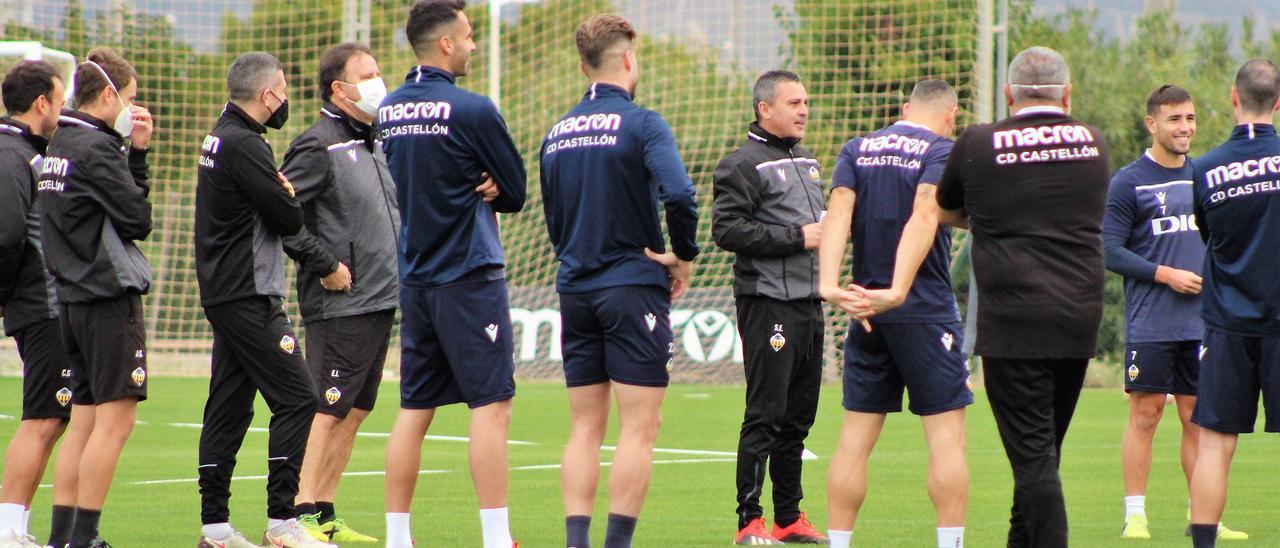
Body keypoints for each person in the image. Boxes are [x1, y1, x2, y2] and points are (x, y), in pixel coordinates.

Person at [934, 46, 1111, 548]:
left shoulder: (978, 141)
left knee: (1033, 458)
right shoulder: (1093, 142)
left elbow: (945, 209)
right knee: (1042, 454)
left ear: (1009, 94)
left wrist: (989, 220)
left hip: (1014, 320)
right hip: (1078, 316)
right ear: (1067, 93)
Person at [540, 14, 699, 548]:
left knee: (585, 428)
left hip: (574, 286)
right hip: (631, 285)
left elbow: (552, 214)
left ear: (583, 65)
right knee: (639, 429)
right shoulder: (643, 122)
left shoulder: (557, 131)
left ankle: (577, 543)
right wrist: (684, 254)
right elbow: (679, 193)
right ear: (627, 59)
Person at [378, 1, 526, 547]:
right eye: (467, 36)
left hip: (415, 277)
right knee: (491, 406)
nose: (471, 44)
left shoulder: (388, 109)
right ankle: (495, 537)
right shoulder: (473, 109)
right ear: (444, 44)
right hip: (468, 275)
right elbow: (515, 192)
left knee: (414, 409)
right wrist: (490, 184)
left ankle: (398, 538)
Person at [819, 79, 970, 548]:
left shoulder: (857, 147)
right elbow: (925, 213)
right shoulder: (941, 149)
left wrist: (829, 287)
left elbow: (837, 215)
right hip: (921, 309)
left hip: (863, 310)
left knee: (853, 440)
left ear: (905, 108)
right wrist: (898, 290)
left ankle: (840, 543)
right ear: (951, 114)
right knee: (946, 440)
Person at [194, 51, 331, 548]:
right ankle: (282, 521)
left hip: (225, 291)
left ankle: (215, 529)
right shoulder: (247, 145)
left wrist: (284, 196)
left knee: (229, 406)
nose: (287, 99)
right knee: (299, 397)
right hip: (249, 293)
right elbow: (289, 218)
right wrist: (288, 196)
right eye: (285, 90)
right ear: (267, 94)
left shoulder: (220, 135)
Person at [1104, 84, 1245, 541]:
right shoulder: (1128, 181)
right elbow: (1108, 250)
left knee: (1199, 420)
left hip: (1204, 323)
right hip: (1151, 321)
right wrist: (1165, 273)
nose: (1184, 128)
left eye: (1189, 119)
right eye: (1174, 119)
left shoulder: (1205, 175)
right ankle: (1135, 514)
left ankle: (1204, 515)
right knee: (1145, 416)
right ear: (1152, 124)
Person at [281, 42, 398, 545]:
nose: (379, 82)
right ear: (339, 88)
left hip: (381, 297)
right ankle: (299, 514)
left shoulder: (376, 140)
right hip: (340, 302)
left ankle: (325, 514)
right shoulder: (315, 144)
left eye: (378, 72)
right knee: (326, 410)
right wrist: (325, 266)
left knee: (355, 409)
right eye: (368, 75)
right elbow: (282, 217)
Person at [38, 47, 155, 548]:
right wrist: (138, 155)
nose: (131, 109)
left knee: (82, 420)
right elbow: (138, 219)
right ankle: (85, 538)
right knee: (116, 421)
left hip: (71, 299)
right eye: (128, 99)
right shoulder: (96, 148)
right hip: (106, 296)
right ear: (108, 95)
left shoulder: (58, 141)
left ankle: (63, 536)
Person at [711, 70, 826, 546]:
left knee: (799, 419)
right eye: (794, 102)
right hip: (767, 304)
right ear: (765, 108)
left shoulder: (809, 161)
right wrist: (797, 237)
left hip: (810, 303)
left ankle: (789, 518)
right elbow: (728, 231)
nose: (804, 109)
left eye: (805, 101)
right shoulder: (740, 164)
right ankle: (748, 521)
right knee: (766, 413)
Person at [1187, 58, 1280, 548]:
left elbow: (1210, 235)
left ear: (1232, 97)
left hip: (1227, 321)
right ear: (1279, 103)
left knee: (1215, 445)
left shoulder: (1204, 167)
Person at [0, 60, 75, 548]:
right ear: (42, 103)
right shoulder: (11, 154)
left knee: (54, 415)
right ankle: (7, 530)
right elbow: (6, 235)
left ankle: (16, 528)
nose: (63, 110)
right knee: (43, 416)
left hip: (47, 302)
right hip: (40, 303)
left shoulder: (27, 151)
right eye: (60, 99)